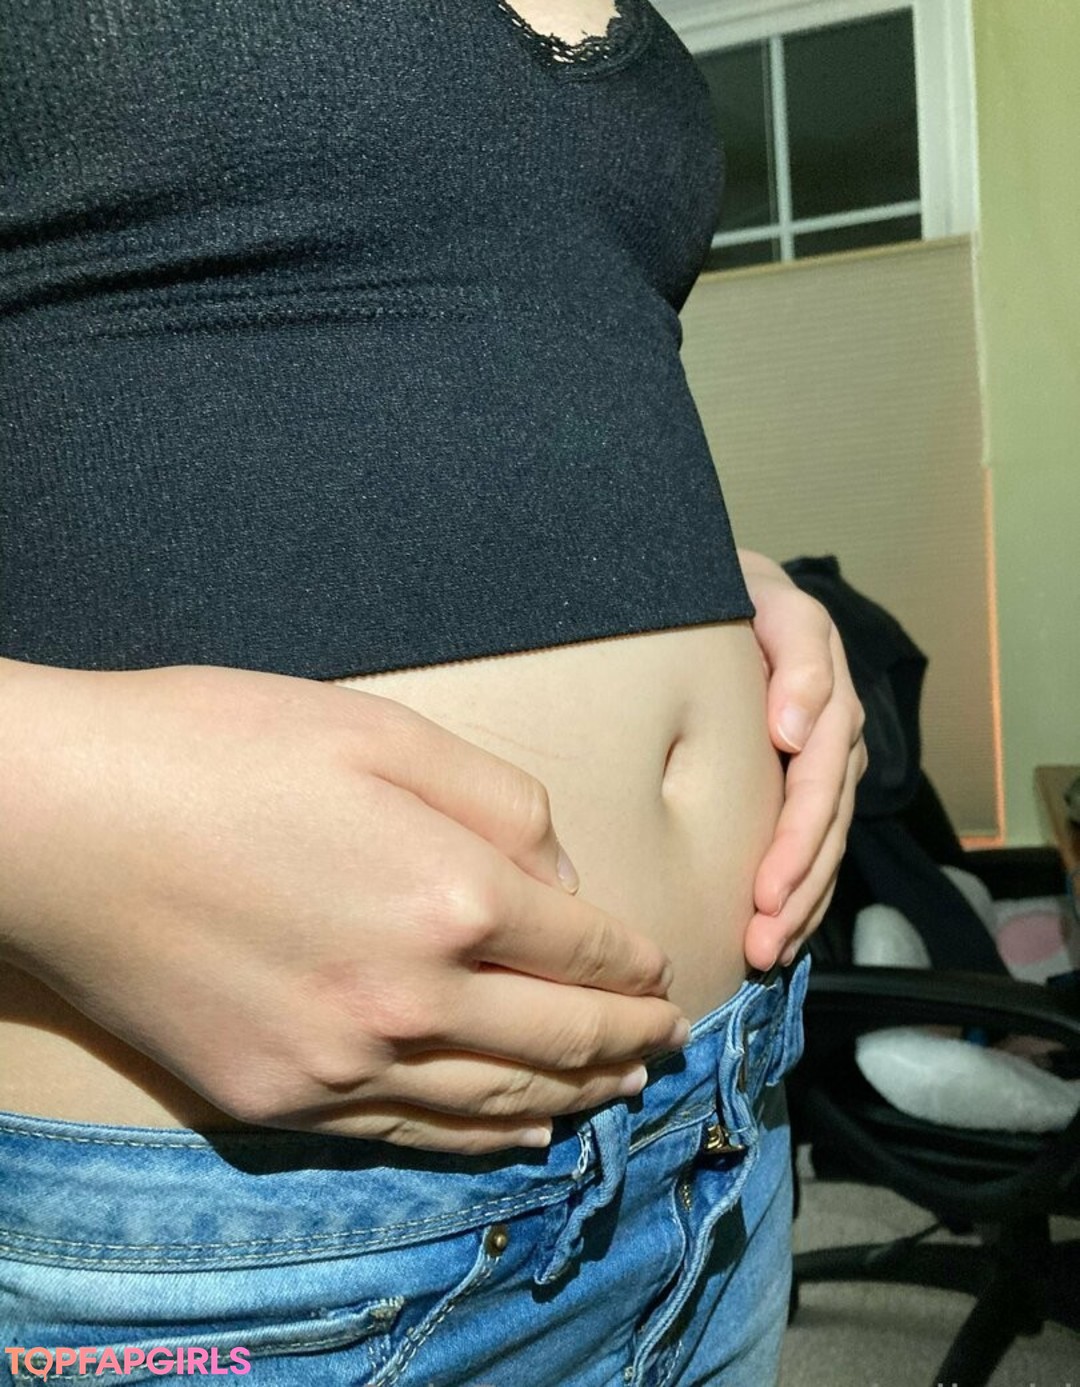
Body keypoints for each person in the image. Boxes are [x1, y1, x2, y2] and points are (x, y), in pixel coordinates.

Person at [0, 2, 866, 1383]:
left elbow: (472, 357)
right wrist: (36, 805)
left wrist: (705, 585)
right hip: (249, 1232)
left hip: (724, 1111)